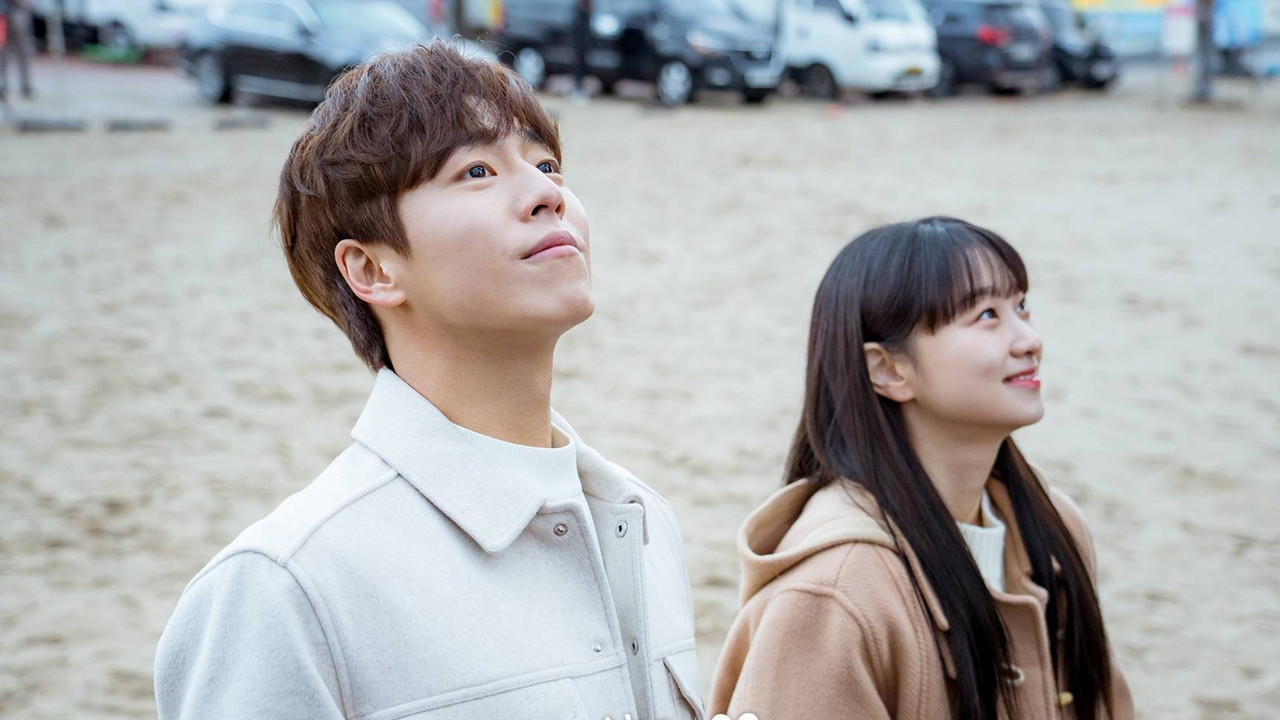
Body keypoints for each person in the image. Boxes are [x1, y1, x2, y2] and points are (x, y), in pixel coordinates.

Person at [154, 41, 703, 720]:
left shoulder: (643, 522)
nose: (547, 194)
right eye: (477, 171)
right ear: (372, 270)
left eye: (546, 164)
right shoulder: (287, 587)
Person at [710, 217, 1133, 719]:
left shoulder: (1054, 529)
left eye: (1021, 306)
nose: (1029, 340)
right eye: (987, 315)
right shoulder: (834, 592)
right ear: (888, 369)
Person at [0, 0, 35, 101]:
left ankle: (25, 85)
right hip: (4, 14)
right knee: (2, 51)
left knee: (22, 51)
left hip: (18, 13)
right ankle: (3, 84)